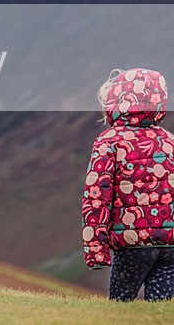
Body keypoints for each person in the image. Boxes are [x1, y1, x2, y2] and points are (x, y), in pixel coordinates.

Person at [82, 68, 174, 301]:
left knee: (121, 305)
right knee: (159, 308)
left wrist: (95, 249)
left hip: (131, 245)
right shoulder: (169, 141)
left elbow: (97, 197)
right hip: (170, 244)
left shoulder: (108, 142)